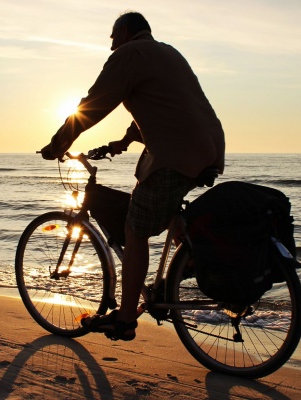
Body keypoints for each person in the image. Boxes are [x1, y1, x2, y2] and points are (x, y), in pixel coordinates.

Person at [40, 11, 225, 341]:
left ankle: (125, 320)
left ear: (124, 32)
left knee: (135, 229)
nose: (111, 46)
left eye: (112, 38)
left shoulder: (130, 54)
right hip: (208, 147)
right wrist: (120, 144)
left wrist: (59, 142)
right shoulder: (166, 52)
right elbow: (160, 107)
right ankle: (190, 256)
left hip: (176, 154)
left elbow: (93, 105)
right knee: (157, 199)